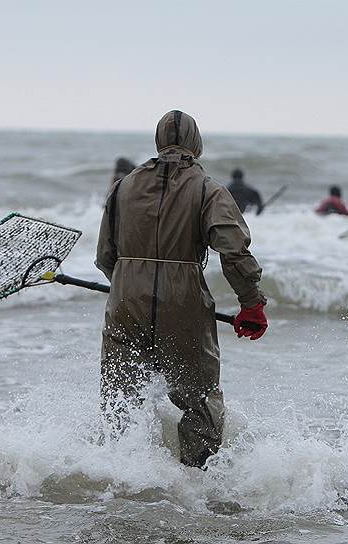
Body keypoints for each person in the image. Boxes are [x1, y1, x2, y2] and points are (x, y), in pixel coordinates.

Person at [95, 110, 268, 468]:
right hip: (182, 300)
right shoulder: (207, 189)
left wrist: (132, 285)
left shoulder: (122, 187)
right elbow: (233, 248)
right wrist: (251, 303)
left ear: (158, 141)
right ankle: (194, 486)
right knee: (200, 400)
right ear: (196, 144)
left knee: (120, 401)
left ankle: (120, 477)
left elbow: (105, 256)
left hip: (125, 300)